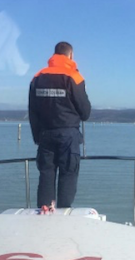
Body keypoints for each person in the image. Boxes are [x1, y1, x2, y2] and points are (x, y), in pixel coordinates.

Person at [29, 42, 92, 212]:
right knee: (68, 174)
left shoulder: (37, 77)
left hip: (45, 135)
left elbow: (32, 112)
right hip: (68, 135)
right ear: (70, 55)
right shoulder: (74, 77)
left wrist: (37, 137)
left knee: (46, 174)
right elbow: (85, 112)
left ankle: (44, 211)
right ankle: (64, 212)